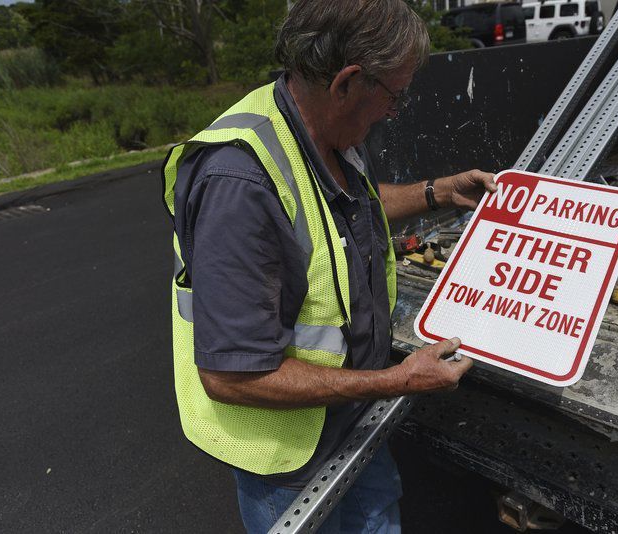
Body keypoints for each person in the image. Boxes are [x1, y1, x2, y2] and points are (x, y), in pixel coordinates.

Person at [161, 1, 496, 532]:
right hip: (289, 456)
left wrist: (437, 192)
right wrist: (397, 380)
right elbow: (232, 376)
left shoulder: (318, 126)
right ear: (347, 82)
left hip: (350, 416)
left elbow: (341, 211)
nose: (395, 110)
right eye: (395, 94)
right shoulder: (239, 184)